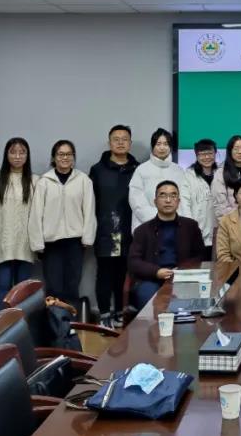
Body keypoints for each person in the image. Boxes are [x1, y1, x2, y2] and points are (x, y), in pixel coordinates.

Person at [28, 140, 96, 306]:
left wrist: (87, 238)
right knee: (54, 287)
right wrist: (37, 243)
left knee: (72, 286)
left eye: (68, 154)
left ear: (73, 157)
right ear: (54, 158)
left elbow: (89, 210)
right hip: (51, 243)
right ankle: (55, 321)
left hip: (75, 242)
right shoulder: (44, 181)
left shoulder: (83, 180)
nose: (65, 158)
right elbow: (36, 214)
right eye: (60, 154)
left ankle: (70, 321)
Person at [128, 180, 206, 311]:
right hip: (152, 279)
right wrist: (156, 272)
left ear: (178, 201)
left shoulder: (190, 226)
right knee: (149, 299)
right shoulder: (142, 230)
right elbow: (133, 262)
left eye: (173, 195)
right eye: (163, 195)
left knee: (192, 303)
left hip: (183, 278)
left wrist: (182, 270)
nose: (168, 200)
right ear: (155, 201)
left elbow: (200, 255)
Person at [89, 124, 138, 329]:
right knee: (104, 274)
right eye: (116, 139)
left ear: (130, 143)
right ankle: (104, 314)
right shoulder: (97, 170)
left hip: (129, 230)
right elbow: (90, 202)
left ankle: (119, 311)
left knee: (122, 274)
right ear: (109, 143)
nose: (120, 143)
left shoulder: (137, 169)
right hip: (105, 229)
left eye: (124, 139)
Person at [0, 137, 37, 314]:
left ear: (27, 156)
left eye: (22, 152)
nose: (17, 156)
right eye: (13, 152)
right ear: (6, 155)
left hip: (26, 243)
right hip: (1, 242)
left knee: (23, 290)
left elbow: (40, 215)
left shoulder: (35, 181)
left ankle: (21, 326)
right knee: (1, 286)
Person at [129, 128, 189, 232]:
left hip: (175, 227)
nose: (162, 148)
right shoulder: (141, 170)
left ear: (170, 147)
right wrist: (159, 219)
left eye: (166, 144)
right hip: (147, 227)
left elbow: (183, 200)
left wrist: (177, 220)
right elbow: (137, 201)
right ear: (153, 146)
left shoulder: (179, 171)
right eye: (158, 144)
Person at [183, 138, 217, 261]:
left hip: (218, 232)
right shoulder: (188, 175)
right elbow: (184, 203)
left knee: (217, 267)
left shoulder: (221, 173)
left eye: (210, 153)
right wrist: (191, 228)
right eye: (202, 154)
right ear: (196, 155)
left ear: (215, 154)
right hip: (197, 232)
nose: (206, 157)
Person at [211, 134, 241, 220]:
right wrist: (240, 219)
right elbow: (220, 206)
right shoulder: (220, 173)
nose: (240, 152)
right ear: (230, 151)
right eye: (236, 148)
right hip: (230, 222)